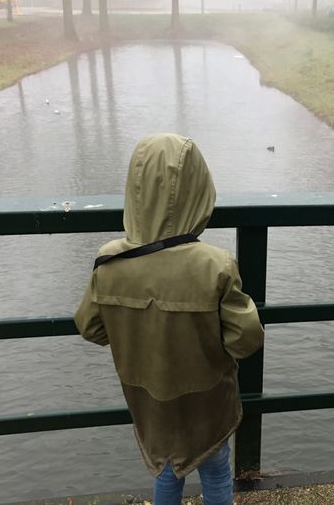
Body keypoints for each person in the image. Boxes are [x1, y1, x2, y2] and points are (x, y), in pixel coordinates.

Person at [74, 134, 265, 505]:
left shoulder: (109, 262)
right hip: (207, 398)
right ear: (199, 189)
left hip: (148, 397)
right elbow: (245, 338)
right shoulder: (215, 265)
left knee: (163, 467)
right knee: (214, 468)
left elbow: (91, 327)